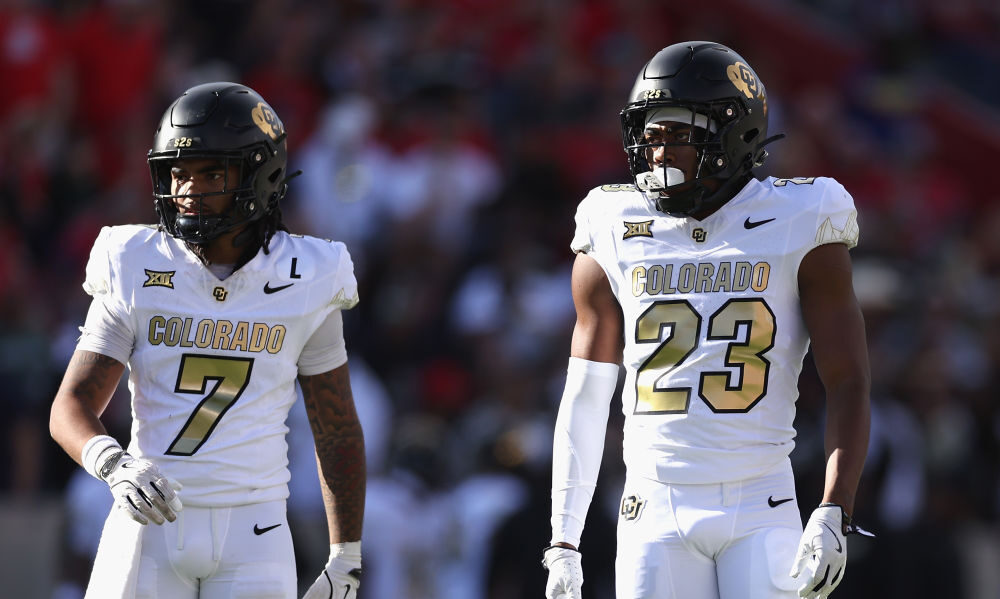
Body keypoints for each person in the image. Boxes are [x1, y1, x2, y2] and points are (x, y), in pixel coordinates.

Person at [542, 41, 872, 599]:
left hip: (761, 501)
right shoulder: (612, 220)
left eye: (677, 134)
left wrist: (834, 509)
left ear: (732, 134)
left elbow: (849, 379)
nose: (657, 153)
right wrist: (563, 539)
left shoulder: (801, 216)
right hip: (650, 503)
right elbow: (586, 396)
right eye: (649, 136)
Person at [49, 82, 366, 599]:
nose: (188, 189)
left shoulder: (307, 275)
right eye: (178, 173)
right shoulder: (134, 260)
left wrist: (346, 554)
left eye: (211, 172)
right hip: (146, 524)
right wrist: (114, 464)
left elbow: (335, 428)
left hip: (255, 531)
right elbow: (73, 402)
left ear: (261, 173)